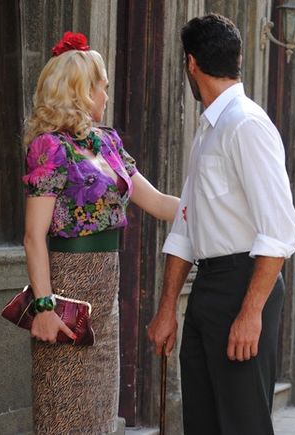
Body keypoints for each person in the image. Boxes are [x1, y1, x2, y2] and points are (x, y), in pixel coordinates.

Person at [147, 14, 295, 435]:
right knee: (202, 421)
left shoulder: (246, 125)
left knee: (243, 422)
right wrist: (166, 311)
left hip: (244, 284)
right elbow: (186, 227)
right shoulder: (208, 129)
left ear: (191, 64)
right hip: (208, 288)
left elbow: (281, 230)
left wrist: (251, 313)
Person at [23, 32, 179, 433]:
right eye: (103, 87)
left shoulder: (107, 142)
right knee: (63, 411)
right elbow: (33, 235)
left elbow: (159, 203)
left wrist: (215, 207)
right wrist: (44, 306)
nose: (107, 96)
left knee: (99, 414)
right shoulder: (49, 147)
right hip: (66, 291)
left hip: (106, 293)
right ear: (81, 90)